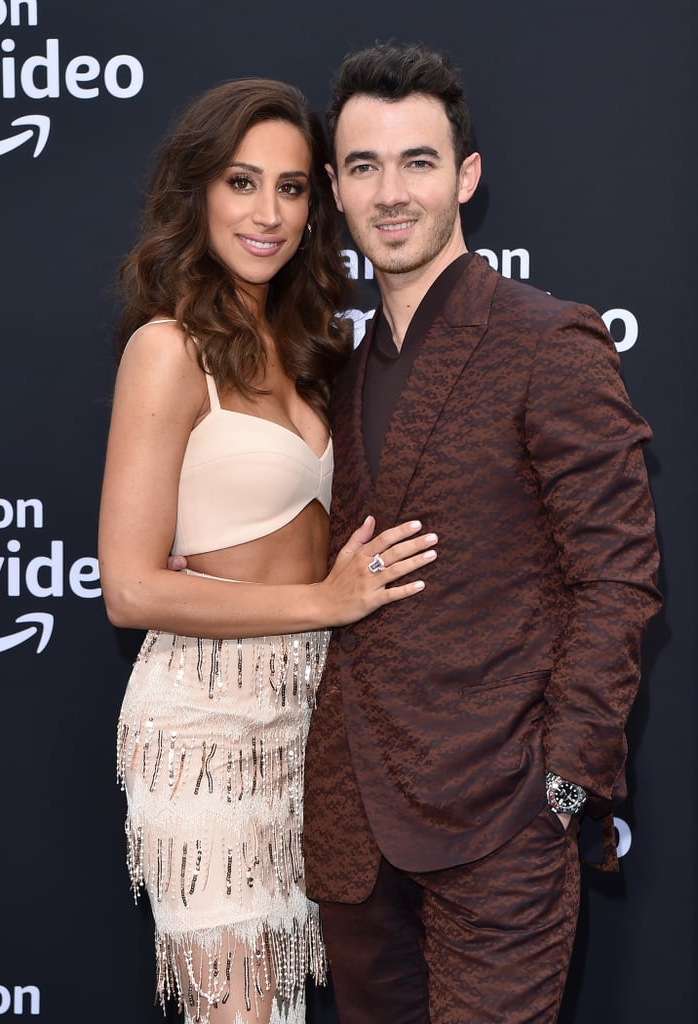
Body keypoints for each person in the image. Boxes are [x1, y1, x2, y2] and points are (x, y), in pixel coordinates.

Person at [301, 43, 662, 1024]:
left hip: (501, 821)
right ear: (334, 186)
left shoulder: (547, 342)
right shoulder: (329, 370)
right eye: (364, 166)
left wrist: (562, 787)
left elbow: (616, 576)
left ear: (464, 175)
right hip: (351, 834)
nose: (391, 192)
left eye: (417, 161)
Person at [97, 78, 436, 1024]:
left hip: (313, 727)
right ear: (198, 190)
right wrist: (325, 603)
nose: (268, 213)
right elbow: (127, 587)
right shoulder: (168, 350)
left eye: (291, 188)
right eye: (242, 183)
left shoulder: (308, 351)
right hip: (204, 727)